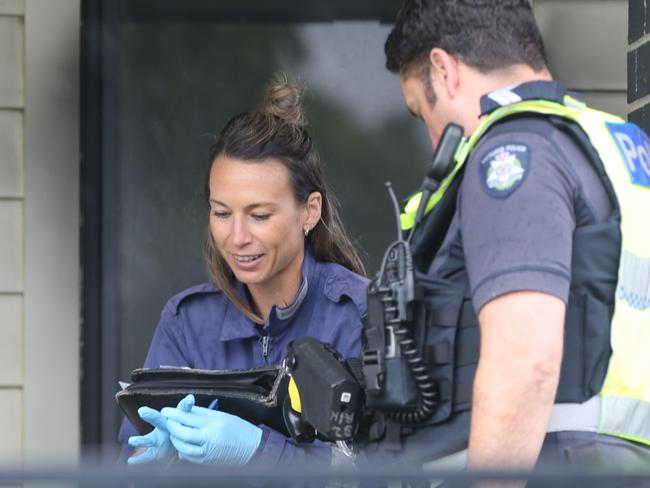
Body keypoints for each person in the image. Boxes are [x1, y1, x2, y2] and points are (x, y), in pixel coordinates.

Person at [374, 0, 650, 479]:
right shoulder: (613, 144)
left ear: (444, 70)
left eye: (422, 115)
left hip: (550, 464)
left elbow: (525, 358)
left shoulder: (512, 153)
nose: (432, 139)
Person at [119, 75, 368, 468]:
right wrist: (152, 460)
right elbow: (128, 467)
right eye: (221, 213)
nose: (237, 237)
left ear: (310, 211)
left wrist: (259, 450)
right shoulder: (186, 323)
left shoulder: (361, 316)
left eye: (259, 215)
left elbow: (385, 473)